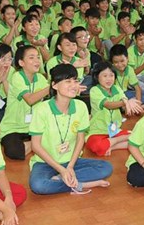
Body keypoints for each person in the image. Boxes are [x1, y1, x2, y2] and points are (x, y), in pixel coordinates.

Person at [28, 64, 113, 195]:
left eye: (75, 81)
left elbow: (80, 139)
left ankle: (61, 180)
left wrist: (70, 166)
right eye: (68, 81)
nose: (73, 85)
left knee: (106, 167)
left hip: (71, 160)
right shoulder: (41, 109)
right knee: (38, 186)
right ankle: (81, 184)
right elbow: (35, 145)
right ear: (54, 85)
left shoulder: (81, 106)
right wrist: (61, 170)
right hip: (45, 162)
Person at [0, 45, 49, 160]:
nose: (37, 61)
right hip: (13, 127)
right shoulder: (17, 77)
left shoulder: (41, 78)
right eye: (31, 58)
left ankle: (34, 144)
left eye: (38, 57)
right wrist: (51, 87)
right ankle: (37, 144)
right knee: (14, 152)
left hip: (34, 126)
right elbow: (30, 100)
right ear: (21, 62)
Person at [87, 62, 144, 157]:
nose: (109, 79)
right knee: (95, 145)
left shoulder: (117, 88)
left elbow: (124, 101)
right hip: (98, 131)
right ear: (97, 77)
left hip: (114, 130)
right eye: (105, 76)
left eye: (111, 75)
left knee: (139, 138)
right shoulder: (94, 90)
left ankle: (112, 146)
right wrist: (126, 102)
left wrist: (130, 105)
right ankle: (117, 140)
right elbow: (108, 105)